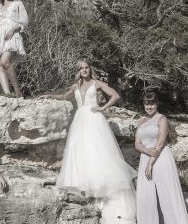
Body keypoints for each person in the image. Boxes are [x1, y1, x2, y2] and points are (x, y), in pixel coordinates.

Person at [40, 59, 137, 224]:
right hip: (80, 121)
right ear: (78, 71)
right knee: (80, 151)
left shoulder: (97, 83)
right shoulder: (75, 86)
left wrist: (103, 108)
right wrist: (49, 95)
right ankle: (82, 187)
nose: (84, 70)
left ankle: (101, 191)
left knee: (97, 151)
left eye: (86, 67)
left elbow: (115, 95)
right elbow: (64, 97)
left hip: (94, 119)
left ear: (90, 69)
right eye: (81, 68)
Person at [135, 91, 188, 224]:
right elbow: (137, 143)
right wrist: (145, 150)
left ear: (157, 104)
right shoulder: (141, 121)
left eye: (152, 104)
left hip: (160, 159)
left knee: (166, 194)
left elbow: (160, 143)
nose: (149, 107)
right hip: (145, 157)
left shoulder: (162, 119)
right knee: (146, 196)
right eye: (146, 104)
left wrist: (150, 164)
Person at [0, 0, 28, 98]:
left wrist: (12, 30)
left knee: (5, 62)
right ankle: (7, 95)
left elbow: (25, 21)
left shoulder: (17, 3)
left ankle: (18, 92)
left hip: (12, 36)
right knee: (0, 65)